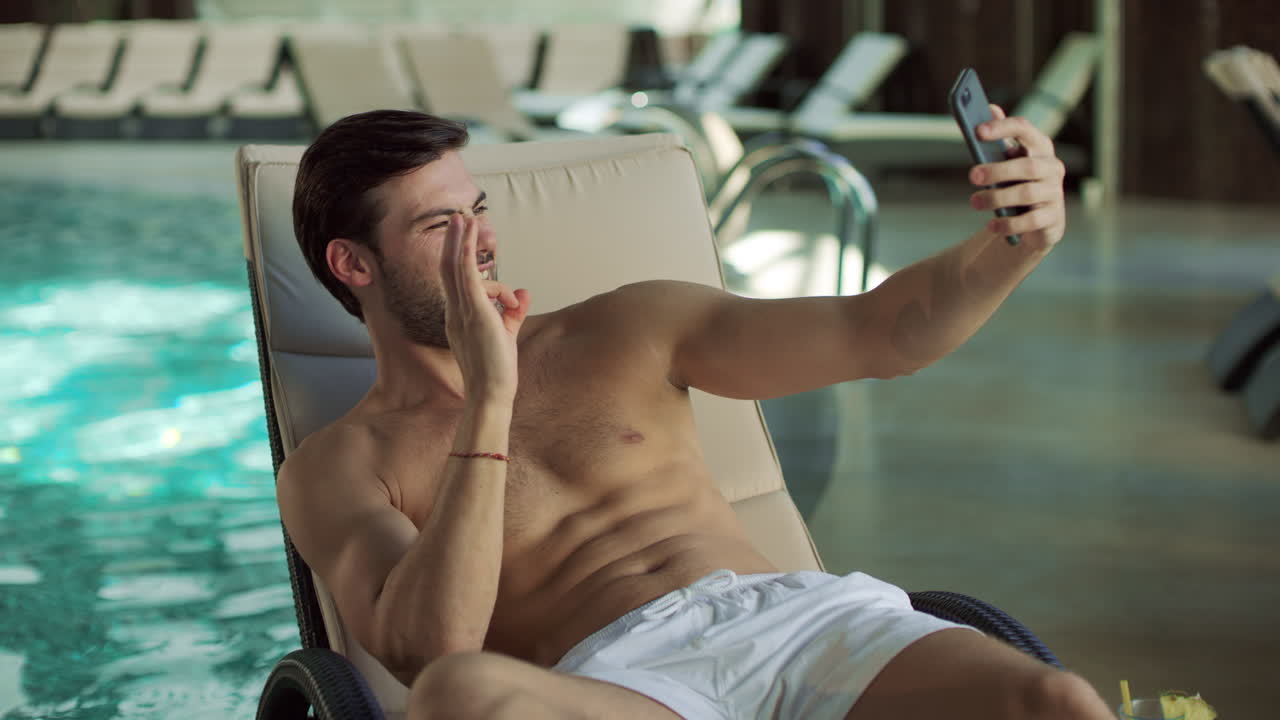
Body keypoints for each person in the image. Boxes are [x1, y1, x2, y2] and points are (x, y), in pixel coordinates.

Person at [279, 109, 1113, 719]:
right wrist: (487, 404)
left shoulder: (627, 327)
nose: (481, 241)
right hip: (620, 687)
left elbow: (882, 332)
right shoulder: (340, 464)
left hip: (794, 624)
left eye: (480, 208)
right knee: (462, 698)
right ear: (354, 263)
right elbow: (430, 651)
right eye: (440, 225)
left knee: (1058, 702)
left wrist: (1015, 242)